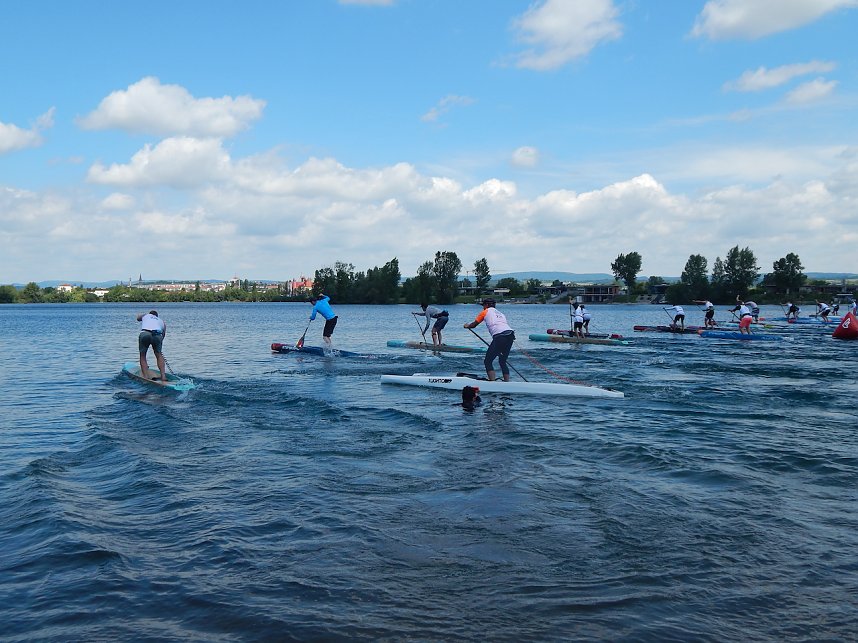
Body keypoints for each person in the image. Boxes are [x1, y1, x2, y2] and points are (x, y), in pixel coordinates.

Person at [464, 298, 515, 382]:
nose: (483, 308)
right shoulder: (501, 313)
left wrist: (467, 326)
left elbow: (474, 324)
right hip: (510, 335)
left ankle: (492, 382)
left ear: (486, 305)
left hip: (500, 336)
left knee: (487, 361)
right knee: (502, 361)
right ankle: (507, 382)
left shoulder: (485, 312)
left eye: (483, 305)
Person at [136, 310, 167, 382]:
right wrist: (158, 348)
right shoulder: (162, 321)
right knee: (158, 355)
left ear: (150, 314)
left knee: (143, 355)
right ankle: (163, 376)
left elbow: (138, 318)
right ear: (157, 316)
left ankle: (146, 377)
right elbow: (163, 335)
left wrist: (144, 315)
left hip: (145, 333)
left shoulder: (146, 316)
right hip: (157, 335)